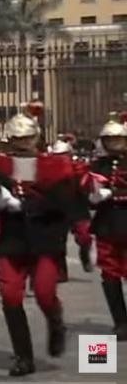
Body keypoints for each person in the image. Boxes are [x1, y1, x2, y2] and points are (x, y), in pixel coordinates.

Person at [0, 102, 71, 376]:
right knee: (11, 295)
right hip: (12, 239)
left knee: (45, 293)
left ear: (36, 137)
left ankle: (55, 321)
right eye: (17, 139)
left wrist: (22, 206)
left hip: (44, 238)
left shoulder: (54, 166)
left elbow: (61, 203)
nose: (22, 144)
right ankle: (24, 356)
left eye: (27, 138)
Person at [88, 112, 127, 339]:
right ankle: (120, 321)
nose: (114, 144)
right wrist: (92, 196)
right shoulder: (98, 164)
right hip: (107, 225)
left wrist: (113, 193)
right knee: (110, 275)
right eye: (109, 140)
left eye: (118, 139)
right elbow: (87, 191)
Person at [50, 134, 93, 277]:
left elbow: (86, 181)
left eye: (63, 155)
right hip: (58, 208)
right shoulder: (49, 170)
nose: (60, 158)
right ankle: (61, 271)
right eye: (57, 155)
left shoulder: (78, 167)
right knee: (58, 241)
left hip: (77, 206)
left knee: (85, 235)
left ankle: (85, 255)